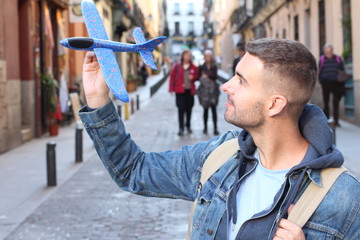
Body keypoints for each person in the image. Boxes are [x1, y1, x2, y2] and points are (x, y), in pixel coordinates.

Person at [79, 39, 360, 239]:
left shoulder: (345, 198)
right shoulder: (219, 158)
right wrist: (98, 100)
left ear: (275, 104)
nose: (226, 85)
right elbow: (134, 170)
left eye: (241, 80)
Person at [168, 50, 198, 136]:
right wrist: (171, 89)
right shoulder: (178, 66)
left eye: (188, 56)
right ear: (183, 56)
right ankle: (181, 128)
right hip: (179, 92)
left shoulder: (193, 67)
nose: (187, 57)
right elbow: (172, 77)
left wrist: (193, 77)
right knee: (181, 110)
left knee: (189, 109)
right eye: (185, 55)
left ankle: (188, 126)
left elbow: (197, 76)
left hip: (189, 92)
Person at [318, 43, 346, 127]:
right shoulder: (322, 59)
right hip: (325, 83)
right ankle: (327, 120)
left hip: (336, 84)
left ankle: (336, 121)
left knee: (335, 102)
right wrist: (321, 80)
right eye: (327, 52)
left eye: (329, 51)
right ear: (324, 51)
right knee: (326, 102)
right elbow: (319, 70)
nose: (328, 53)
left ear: (332, 51)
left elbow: (342, 70)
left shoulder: (338, 59)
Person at [197, 49, 220, 135]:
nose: (208, 58)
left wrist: (207, 75)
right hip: (205, 91)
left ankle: (215, 128)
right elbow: (199, 76)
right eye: (206, 56)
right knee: (205, 110)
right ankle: (205, 128)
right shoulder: (202, 66)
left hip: (213, 91)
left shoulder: (214, 66)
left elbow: (215, 76)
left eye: (209, 56)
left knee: (214, 110)